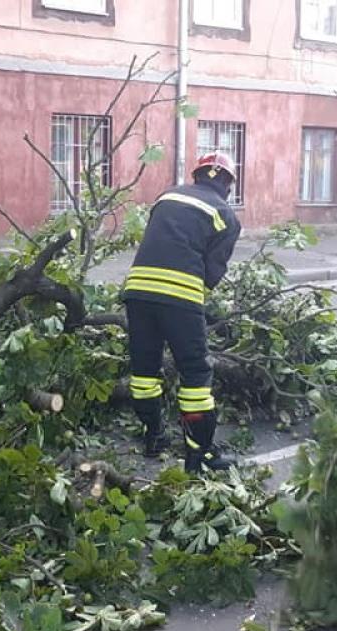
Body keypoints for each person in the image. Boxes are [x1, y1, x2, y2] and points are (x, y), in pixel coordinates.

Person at [122, 152, 242, 473]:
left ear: (197, 175)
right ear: (228, 184)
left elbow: (160, 240)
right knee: (196, 373)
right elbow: (210, 273)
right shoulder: (226, 215)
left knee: (145, 371)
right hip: (180, 296)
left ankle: (153, 437)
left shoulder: (168, 195)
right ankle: (199, 455)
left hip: (138, 291)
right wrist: (200, 310)